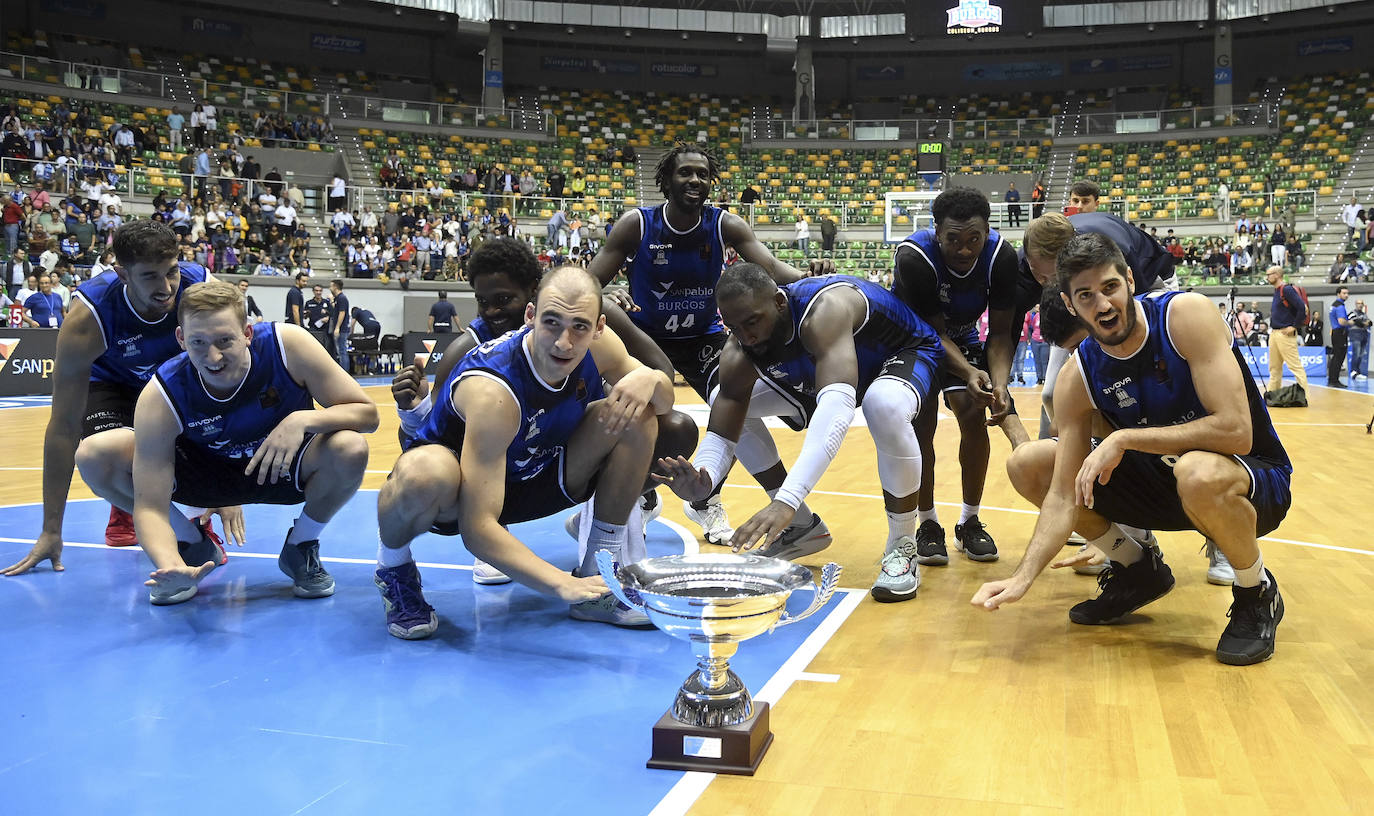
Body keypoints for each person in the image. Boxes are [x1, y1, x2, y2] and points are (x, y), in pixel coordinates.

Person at [973, 233, 1290, 666]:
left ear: (1129, 279)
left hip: (1251, 477)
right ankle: (1138, 569)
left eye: (1109, 287)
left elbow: (1236, 432)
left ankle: (1256, 592)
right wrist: (1022, 577)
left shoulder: (1185, 315)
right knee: (1029, 464)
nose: (1102, 304)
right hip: (1164, 483)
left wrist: (1124, 438)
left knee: (1198, 472)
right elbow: (1063, 495)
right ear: (1071, 306)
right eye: (1085, 296)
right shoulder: (1077, 376)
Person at [374, 266, 685, 638]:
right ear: (530, 316)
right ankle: (393, 567)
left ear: (599, 327)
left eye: (579, 327)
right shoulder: (493, 392)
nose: (564, 342)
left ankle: (598, 572)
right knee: (423, 473)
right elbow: (477, 531)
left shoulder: (601, 347)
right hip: (460, 494)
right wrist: (556, 583)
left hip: (537, 472)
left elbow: (665, 404)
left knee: (639, 413)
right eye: (552, 322)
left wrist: (650, 378)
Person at [587, 143, 833, 549]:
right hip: (648, 339)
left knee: (734, 405)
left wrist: (816, 279)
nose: (695, 180)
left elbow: (772, 273)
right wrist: (608, 291)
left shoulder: (725, 225)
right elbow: (589, 282)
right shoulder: (637, 224)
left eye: (702, 174)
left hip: (705, 337)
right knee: (640, 421)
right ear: (666, 180)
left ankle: (718, 500)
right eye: (686, 173)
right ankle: (643, 497)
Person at [656, 267, 943, 602]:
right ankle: (803, 527)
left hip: (902, 352)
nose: (745, 336)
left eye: (752, 322)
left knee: (884, 405)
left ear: (779, 303)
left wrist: (786, 500)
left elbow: (836, 414)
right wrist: (704, 479)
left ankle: (902, 544)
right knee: (725, 395)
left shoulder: (824, 310)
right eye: (733, 327)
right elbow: (723, 429)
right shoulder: (741, 347)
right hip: (831, 364)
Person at [133, 280, 378, 604]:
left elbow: (367, 415)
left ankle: (300, 547)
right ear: (181, 339)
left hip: (281, 470)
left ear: (247, 333)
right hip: (209, 481)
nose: (213, 356)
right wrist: (169, 566)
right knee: (102, 455)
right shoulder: (161, 394)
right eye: (198, 343)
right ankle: (191, 545)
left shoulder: (287, 347)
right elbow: (148, 504)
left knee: (350, 447)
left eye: (225, 340)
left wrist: (301, 419)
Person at [1, 221, 215, 576]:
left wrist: (229, 494)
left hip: (173, 384)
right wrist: (51, 529)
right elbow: (63, 427)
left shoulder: (199, 289)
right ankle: (186, 532)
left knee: (199, 434)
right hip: (112, 384)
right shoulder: (89, 316)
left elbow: (239, 378)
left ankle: (193, 510)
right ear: (122, 274)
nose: (166, 289)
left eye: (172, 272)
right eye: (150, 276)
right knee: (95, 456)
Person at [892, 187, 1019, 566]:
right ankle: (927, 524)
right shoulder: (915, 258)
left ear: (987, 231)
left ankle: (969, 521)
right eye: (953, 239)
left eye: (973, 239)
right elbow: (931, 335)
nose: (964, 249)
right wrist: (967, 370)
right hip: (911, 338)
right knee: (923, 424)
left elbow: (999, 333)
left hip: (962, 337)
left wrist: (998, 383)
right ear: (936, 231)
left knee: (972, 413)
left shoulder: (1001, 257)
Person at [1264, 265, 1308, 402]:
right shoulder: (1277, 290)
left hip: (1285, 334)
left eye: (1269, 274)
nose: (1267, 277)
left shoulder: (1286, 289)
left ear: (1277, 275)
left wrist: (1294, 326)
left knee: (1295, 366)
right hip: (1275, 333)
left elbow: (1302, 308)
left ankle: (1303, 396)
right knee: (1274, 368)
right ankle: (1272, 395)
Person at [1329, 286, 1351, 388]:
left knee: (1336, 357)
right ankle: (1334, 381)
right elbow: (1341, 322)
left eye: (1347, 293)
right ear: (1338, 294)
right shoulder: (1340, 306)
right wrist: (1351, 322)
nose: (1346, 295)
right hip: (1340, 333)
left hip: (1336, 333)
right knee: (1339, 357)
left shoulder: (1334, 305)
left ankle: (1332, 380)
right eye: (1344, 293)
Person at [328, 278, 350, 370]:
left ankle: (344, 371)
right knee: (339, 351)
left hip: (342, 329)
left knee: (342, 351)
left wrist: (337, 328)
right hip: (340, 328)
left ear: (335, 287)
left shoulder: (342, 298)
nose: (329, 288)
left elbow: (342, 313)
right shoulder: (338, 299)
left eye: (331, 286)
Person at [1348, 299, 1370, 380]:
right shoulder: (1352, 313)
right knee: (1356, 354)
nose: (1360, 305)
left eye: (1361, 303)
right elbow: (1356, 322)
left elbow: (1370, 323)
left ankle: (1358, 371)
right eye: (1358, 303)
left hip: (1363, 335)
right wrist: (1363, 323)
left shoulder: (1364, 314)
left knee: (1361, 355)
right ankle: (1353, 371)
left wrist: (1364, 323)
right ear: (1355, 304)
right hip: (1355, 335)